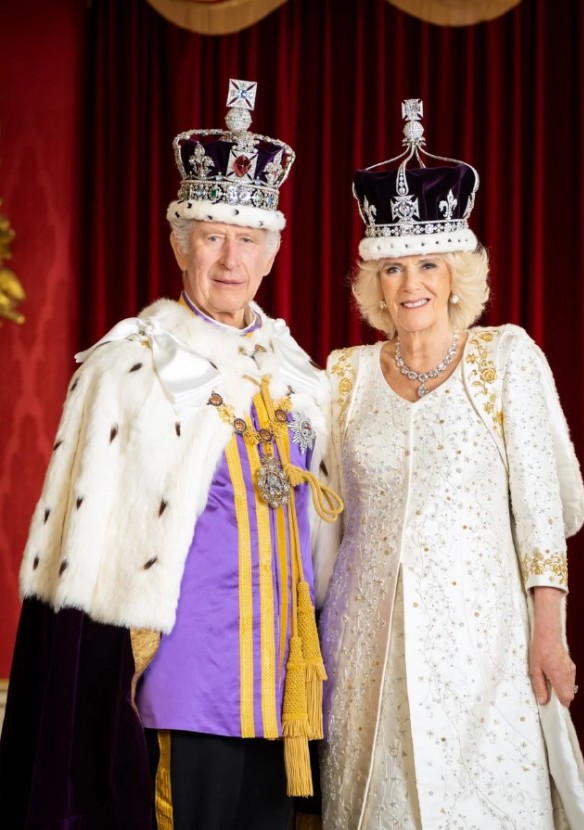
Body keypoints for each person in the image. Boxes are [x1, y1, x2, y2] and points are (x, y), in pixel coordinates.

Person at [0, 79, 341, 830]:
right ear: (180, 242)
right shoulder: (129, 367)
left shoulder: (302, 375)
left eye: (247, 238)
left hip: (285, 687)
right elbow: (81, 565)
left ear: (271, 250)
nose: (230, 256)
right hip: (181, 681)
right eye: (211, 234)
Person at [317, 99, 584, 829]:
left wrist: (550, 632)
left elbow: (544, 511)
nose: (410, 282)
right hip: (364, 648)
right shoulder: (342, 377)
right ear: (372, 280)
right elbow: (323, 519)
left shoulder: (506, 359)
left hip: (484, 648)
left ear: (456, 273)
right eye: (391, 266)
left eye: (427, 264)